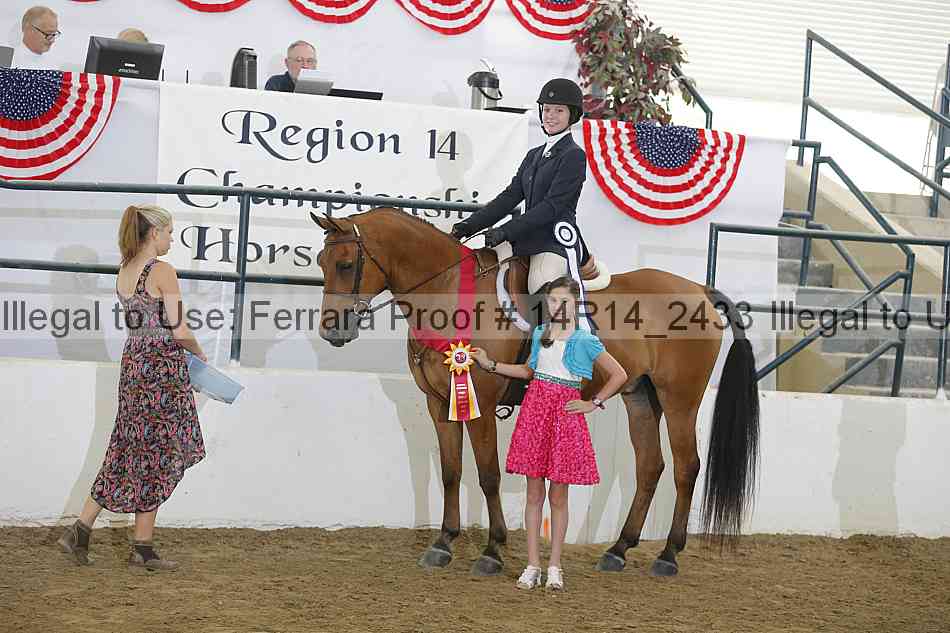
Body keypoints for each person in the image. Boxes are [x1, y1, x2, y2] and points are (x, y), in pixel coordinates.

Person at [57, 204, 207, 571]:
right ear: (154, 233)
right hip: (160, 369)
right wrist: (201, 357)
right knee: (156, 451)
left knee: (130, 448)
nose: (171, 239)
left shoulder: (125, 270)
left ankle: (107, 536)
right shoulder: (162, 271)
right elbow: (179, 329)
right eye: (169, 233)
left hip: (135, 364)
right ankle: (130, 543)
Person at [470, 277, 627, 590]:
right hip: (535, 414)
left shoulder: (585, 340)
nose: (558, 307)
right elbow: (528, 371)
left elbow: (619, 374)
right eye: (553, 301)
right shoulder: (540, 333)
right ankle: (532, 565)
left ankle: (555, 566)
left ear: (575, 302)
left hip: (564, 418)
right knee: (533, 495)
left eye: (564, 301)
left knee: (558, 497)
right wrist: (490, 364)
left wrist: (593, 403)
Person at [451, 78, 590, 297]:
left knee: (539, 284)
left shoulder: (574, 155)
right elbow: (510, 197)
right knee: (479, 264)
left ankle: (550, 321)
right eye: (547, 109)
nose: (551, 116)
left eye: (559, 110)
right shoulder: (534, 155)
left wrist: (505, 231)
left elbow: (551, 206)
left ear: (572, 115)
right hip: (524, 237)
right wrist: (468, 226)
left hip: (552, 241)